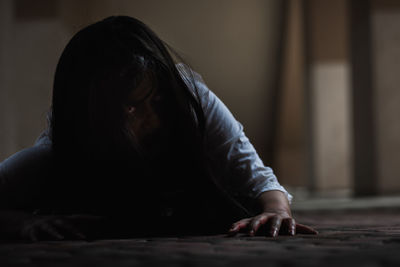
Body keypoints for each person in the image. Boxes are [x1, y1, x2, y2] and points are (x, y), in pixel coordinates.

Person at [0, 16, 317, 241]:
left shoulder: (191, 103)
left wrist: (277, 211)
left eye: (154, 99)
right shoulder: (59, 150)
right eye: (130, 107)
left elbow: (258, 178)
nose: (148, 115)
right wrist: (22, 224)